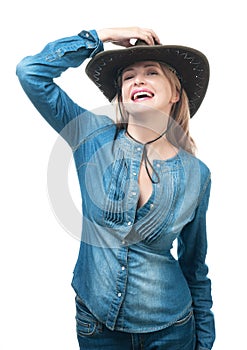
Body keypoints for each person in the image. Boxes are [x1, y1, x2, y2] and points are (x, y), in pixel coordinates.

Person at [16, 27, 215, 350]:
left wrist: (204, 342)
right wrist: (101, 35)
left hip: (172, 329)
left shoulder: (197, 174)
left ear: (175, 93)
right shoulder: (91, 136)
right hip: (97, 326)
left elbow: (194, 265)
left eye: (151, 73)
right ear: (121, 95)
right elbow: (31, 72)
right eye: (128, 77)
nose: (138, 80)